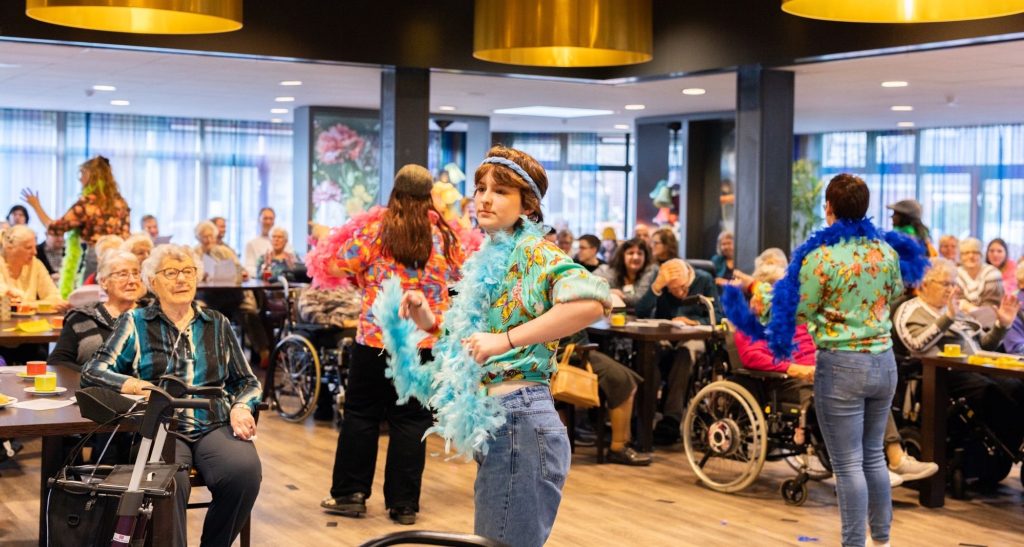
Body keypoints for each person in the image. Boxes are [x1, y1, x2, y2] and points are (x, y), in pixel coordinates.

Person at [393, 147, 608, 545]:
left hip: (520, 420)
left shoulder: (535, 252)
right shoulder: (492, 256)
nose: (485, 199)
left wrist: (504, 341)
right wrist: (427, 319)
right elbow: (473, 337)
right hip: (502, 420)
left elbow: (591, 303)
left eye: (501, 191)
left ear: (528, 204)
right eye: (480, 189)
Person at [310, 164, 464, 526]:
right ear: (429, 196)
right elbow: (461, 274)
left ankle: (350, 494)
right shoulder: (444, 235)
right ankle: (404, 505)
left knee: (362, 414)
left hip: (375, 339)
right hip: (424, 340)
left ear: (394, 192)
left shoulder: (375, 231)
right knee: (413, 420)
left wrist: (364, 273)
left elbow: (336, 264)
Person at [81, 244, 262, 547]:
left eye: (188, 271)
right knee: (169, 483)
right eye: (171, 272)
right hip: (161, 425)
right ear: (153, 282)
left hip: (214, 422)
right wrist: (138, 385)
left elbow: (247, 380)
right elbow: (93, 371)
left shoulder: (216, 322)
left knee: (244, 472)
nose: (181, 279)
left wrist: (241, 407)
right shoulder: (136, 322)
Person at [791, 175, 907, 547]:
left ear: (828, 207)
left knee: (847, 464)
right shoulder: (885, 251)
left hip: (841, 364)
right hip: (884, 361)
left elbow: (801, 310)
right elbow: (895, 293)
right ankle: (882, 541)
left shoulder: (821, 257)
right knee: (874, 456)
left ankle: (854, 543)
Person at [894, 257, 1024, 461]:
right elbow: (916, 344)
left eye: (954, 284)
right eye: (946, 284)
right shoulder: (910, 309)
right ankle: (1016, 444)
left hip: (976, 366)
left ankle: (1015, 444)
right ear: (925, 284)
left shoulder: (955, 310)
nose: (951, 289)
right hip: (942, 373)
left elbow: (984, 346)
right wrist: (947, 318)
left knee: (1017, 386)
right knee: (990, 391)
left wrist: (1002, 325)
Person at [636, 258, 721, 445]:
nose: (681, 294)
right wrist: (656, 288)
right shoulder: (660, 280)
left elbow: (718, 316)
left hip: (693, 338)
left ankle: (671, 420)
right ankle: (643, 417)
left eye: (684, 288)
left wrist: (695, 322)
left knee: (684, 355)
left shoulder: (704, 280)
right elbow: (640, 312)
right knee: (649, 357)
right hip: (664, 337)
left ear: (689, 275)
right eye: (674, 290)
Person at [21, 155, 131, 283]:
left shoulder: (88, 203)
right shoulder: (120, 203)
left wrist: (36, 206)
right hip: (121, 257)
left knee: (92, 294)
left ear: (92, 176)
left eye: (82, 174)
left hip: (97, 258)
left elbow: (54, 228)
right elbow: (126, 234)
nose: (80, 179)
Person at [49, 250, 145, 372]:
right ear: (104, 282)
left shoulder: (153, 315)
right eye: (123, 274)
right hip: (91, 383)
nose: (132, 281)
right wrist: (94, 375)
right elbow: (58, 362)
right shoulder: (82, 318)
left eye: (136, 274)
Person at [0, 225, 66, 309]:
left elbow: (55, 298)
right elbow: (4, 296)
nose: (34, 252)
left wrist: (30, 305)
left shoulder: (36, 264)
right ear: (9, 248)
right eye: (28, 248)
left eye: (35, 247)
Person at [607, 237, 658, 310]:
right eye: (630, 253)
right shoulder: (612, 271)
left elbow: (639, 300)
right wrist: (609, 292)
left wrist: (618, 295)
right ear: (622, 256)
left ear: (645, 257)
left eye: (640, 253)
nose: (635, 257)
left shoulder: (651, 271)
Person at [957, 237, 1004, 313]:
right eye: (966, 253)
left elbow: (992, 304)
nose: (971, 256)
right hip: (960, 317)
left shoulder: (993, 273)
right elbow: (956, 302)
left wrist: (969, 308)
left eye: (975, 252)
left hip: (988, 317)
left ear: (981, 255)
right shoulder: (955, 274)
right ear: (960, 256)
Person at [243, 207, 292, 278]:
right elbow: (249, 267)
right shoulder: (251, 244)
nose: (268, 222)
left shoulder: (286, 245)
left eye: (271, 219)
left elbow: (293, 266)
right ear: (259, 220)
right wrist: (267, 273)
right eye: (265, 218)